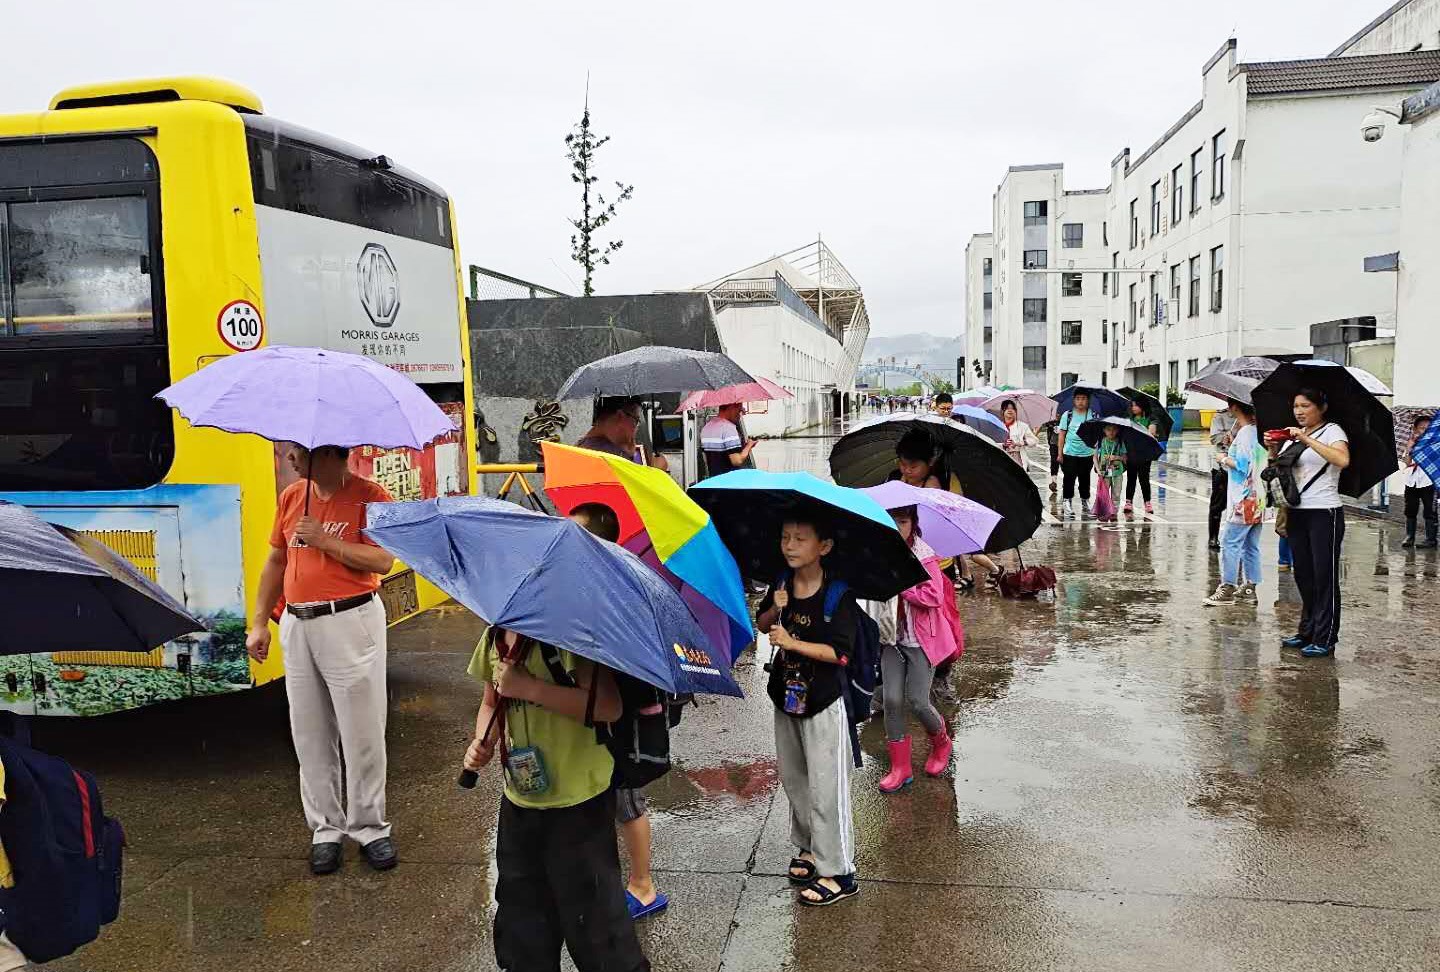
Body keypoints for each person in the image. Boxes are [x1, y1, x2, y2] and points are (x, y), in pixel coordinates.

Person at [462, 524, 650, 972]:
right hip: (520, 798)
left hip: (578, 800)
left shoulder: (576, 638)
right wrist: (480, 740)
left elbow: (607, 706)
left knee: (592, 912)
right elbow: (491, 700)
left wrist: (529, 686)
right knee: (522, 907)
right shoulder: (494, 636)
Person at [246, 444, 397, 875]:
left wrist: (325, 541)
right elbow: (277, 558)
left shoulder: (372, 496)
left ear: (329, 451)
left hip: (350, 619)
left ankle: (370, 827)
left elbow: (383, 560)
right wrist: (259, 623)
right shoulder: (293, 496)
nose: (290, 458)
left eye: (298, 451)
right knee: (309, 730)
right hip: (297, 623)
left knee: (361, 729)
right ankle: (325, 829)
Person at [755, 513, 859, 907]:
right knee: (794, 778)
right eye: (785, 537)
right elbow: (764, 625)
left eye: (800, 538)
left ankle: (839, 871)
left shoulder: (838, 595)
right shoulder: (781, 583)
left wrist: (794, 643)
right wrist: (773, 609)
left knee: (826, 786)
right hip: (786, 694)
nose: (790, 545)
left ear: (824, 547)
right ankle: (809, 848)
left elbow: (839, 653)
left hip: (823, 701)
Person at [872, 507, 955, 793]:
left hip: (920, 641)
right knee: (892, 700)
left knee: (918, 701)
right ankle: (900, 768)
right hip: (890, 639)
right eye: (891, 521)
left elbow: (935, 595)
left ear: (913, 523)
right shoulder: (880, 552)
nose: (897, 527)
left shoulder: (924, 554)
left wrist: (903, 587)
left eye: (903, 521)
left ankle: (941, 742)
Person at [1275, 388, 1351, 659]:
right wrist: (1275, 447)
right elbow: (1282, 472)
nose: (1299, 411)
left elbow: (1342, 460)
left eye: (1305, 405)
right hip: (1297, 511)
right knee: (1303, 575)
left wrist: (1306, 439)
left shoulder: (1333, 431)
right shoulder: (1291, 436)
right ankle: (1307, 630)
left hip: (1324, 512)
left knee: (1324, 577)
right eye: (1296, 406)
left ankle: (1326, 637)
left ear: (1321, 407)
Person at [1205, 401, 1262, 606]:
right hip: (1259, 498)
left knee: (1230, 543)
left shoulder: (1246, 433)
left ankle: (1228, 587)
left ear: (1235, 408)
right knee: (1251, 545)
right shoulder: (1257, 432)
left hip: (1243, 498)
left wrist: (1223, 458)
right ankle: (1249, 589)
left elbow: (1243, 466)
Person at [577, 397, 669, 472]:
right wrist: (657, 470)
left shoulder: (581, 448)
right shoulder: (610, 457)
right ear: (621, 416)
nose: (636, 429)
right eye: (636, 421)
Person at [1057, 390, 1097, 517]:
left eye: (1084, 398)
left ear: (1088, 400)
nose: (1081, 401)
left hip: (1087, 453)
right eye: (1078, 398)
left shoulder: (1094, 415)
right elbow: (1062, 435)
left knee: (1085, 478)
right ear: (1074, 400)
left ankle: (1085, 501)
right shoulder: (1067, 415)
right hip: (1069, 453)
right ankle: (1067, 501)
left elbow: (1097, 435)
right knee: (1069, 478)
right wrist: (1060, 453)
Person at [1401, 415, 1437, 549]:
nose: (1425, 431)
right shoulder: (1411, 442)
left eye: (1428, 428)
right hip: (1411, 481)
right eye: (1422, 428)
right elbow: (1407, 462)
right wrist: (1410, 449)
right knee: (1410, 510)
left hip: (1428, 481)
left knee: (1430, 511)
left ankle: (1431, 540)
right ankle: (1409, 537)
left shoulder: (1435, 444)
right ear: (1415, 429)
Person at [700, 402, 757, 478]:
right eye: (739, 410)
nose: (740, 415)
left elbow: (718, 455)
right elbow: (737, 461)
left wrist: (743, 447)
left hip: (713, 481)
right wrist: (749, 446)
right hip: (728, 482)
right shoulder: (728, 428)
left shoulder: (706, 428)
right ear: (731, 408)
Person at [1208, 408, 1237, 551]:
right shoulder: (1220, 417)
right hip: (1222, 467)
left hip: (1240, 466)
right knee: (1217, 504)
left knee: (1239, 505)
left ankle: (1235, 538)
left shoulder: (1251, 418)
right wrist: (1225, 436)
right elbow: (1213, 438)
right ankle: (1213, 536)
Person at [1124, 400, 1157, 515]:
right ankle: (1128, 502)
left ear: (1142, 406)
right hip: (1131, 453)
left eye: (1136, 405)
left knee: (1144, 479)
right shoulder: (1129, 420)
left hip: (1145, 455)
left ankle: (1147, 503)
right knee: (1131, 479)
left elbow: (1151, 433)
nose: (1134, 408)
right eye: (1132, 405)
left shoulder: (1150, 419)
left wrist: (1144, 430)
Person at [1093, 423, 1126, 524]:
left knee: (1116, 493)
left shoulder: (1120, 442)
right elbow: (1094, 457)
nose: (1111, 432)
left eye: (1114, 429)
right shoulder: (1100, 442)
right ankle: (1104, 512)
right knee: (1104, 493)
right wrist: (1098, 470)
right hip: (1104, 473)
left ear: (1117, 431)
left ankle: (1114, 513)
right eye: (1108, 429)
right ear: (1104, 430)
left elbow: (1125, 458)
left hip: (1117, 472)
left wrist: (1116, 457)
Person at [998, 399, 1038, 467]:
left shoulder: (1022, 426)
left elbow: (1034, 440)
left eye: (1012, 408)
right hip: (1002, 457)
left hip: (1018, 457)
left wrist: (1019, 443)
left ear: (1015, 411)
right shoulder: (998, 425)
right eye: (1007, 408)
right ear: (1002, 411)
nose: (1010, 410)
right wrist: (1003, 445)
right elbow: (991, 442)